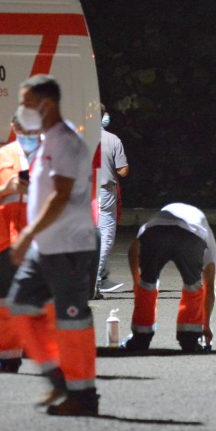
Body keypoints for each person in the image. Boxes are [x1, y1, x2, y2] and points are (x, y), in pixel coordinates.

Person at [6, 74, 99, 417]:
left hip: (68, 247)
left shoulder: (65, 142)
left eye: (27, 103)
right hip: (46, 247)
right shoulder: (46, 141)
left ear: (47, 104)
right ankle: (58, 377)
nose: (22, 110)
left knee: (73, 320)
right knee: (20, 305)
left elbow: (60, 196)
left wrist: (27, 233)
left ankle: (83, 395)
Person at [0, 115, 43, 373]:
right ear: (14, 126)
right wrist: (8, 187)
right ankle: (7, 357)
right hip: (9, 239)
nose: (27, 131)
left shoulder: (53, 154)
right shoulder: (0, 156)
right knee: (4, 302)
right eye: (22, 126)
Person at [120, 203, 216, 353]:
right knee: (194, 286)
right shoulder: (206, 238)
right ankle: (190, 338)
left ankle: (140, 338)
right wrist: (206, 325)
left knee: (147, 285)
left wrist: (136, 282)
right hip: (190, 237)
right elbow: (209, 287)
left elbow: (133, 249)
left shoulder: (150, 225)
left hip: (155, 235)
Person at [95, 105, 129, 297]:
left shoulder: (76, 137)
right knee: (105, 235)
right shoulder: (112, 139)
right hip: (105, 193)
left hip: (82, 193)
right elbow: (123, 170)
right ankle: (96, 279)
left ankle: (100, 277)